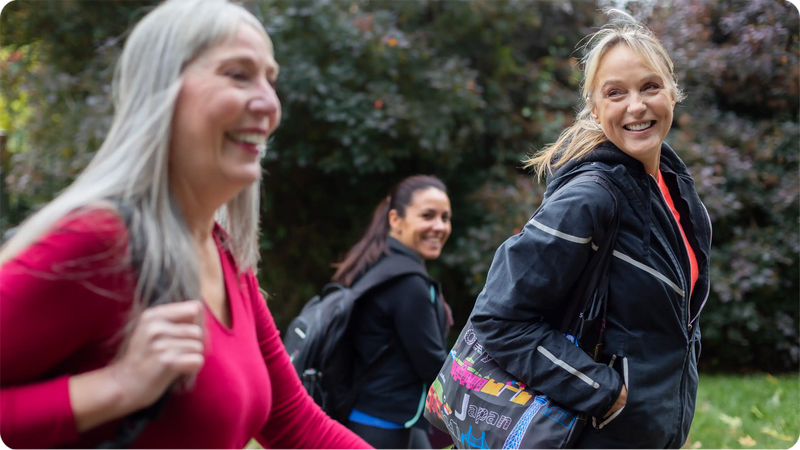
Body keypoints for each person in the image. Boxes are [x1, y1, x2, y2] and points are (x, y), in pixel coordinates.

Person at [0, 1, 374, 449]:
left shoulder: (225, 254)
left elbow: (297, 424)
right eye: (238, 75)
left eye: (270, 80)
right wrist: (114, 388)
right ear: (162, 91)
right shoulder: (100, 241)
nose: (270, 104)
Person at [469, 10, 712, 450]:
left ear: (673, 92)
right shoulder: (590, 198)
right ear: (595, 109)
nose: (636, 106)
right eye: (615, 93)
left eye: (650, 86)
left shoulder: (675, 189)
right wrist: (604, 393)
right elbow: (498, 318)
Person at [331, 175, 453, 450]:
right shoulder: (408, 284)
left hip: (369, 417)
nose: (439, 226)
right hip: (384, 429)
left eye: (445, 218)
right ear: (396, 219)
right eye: (428, 216)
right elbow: (433, 366)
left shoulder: (375, 265)